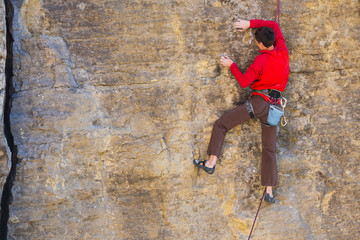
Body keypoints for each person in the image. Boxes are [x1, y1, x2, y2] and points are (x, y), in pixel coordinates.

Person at [193, 19, 289, 203]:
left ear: (260, 44)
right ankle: (269, 191)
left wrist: (231, 65)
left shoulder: (261, 60)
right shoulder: (283, 52)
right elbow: (275, 25)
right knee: (269, 149)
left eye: (256, 41)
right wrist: (251, 23)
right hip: (275, 109)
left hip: (259, 103)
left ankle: (211, 162)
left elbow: (245, 82)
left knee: (221, 124)